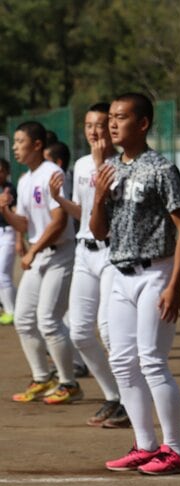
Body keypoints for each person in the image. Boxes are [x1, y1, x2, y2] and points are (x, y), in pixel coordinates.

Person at [90, 92, 180, 475]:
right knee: (121, 360)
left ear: (144, 123)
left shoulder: (161, 169)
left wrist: (175, 284)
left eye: (121, 117)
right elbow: (98, 231)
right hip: (120, 272)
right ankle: (146, 444)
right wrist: (99, 196)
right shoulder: (111, 168)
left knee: (151, 360)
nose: (112, 124)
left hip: (157, 272)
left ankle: (176, 450)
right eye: (111, 117)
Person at [50, 102, 129, 428]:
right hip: (85, 250)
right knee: (81, 333)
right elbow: (86, 215)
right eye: (89, 125)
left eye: (100, 124)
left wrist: (100, 164)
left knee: (109, 332)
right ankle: (113, 396)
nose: (95, 131)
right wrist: (60, 202)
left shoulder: (121, 163)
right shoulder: (81, 164)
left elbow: (113, 212)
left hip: (113, 253)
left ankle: (128, 399)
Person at [1, 121, 80, 404]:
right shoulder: (24, 180)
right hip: (40, 253)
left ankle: (69, 382)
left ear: (36, 145)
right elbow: (23, 223)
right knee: (23, 318)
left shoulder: (53, 173)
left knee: (48, 319)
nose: (15, 147)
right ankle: (42, 377)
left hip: (60, 253)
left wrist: (33, 251)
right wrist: (5, 210)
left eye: (19, 141)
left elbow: (59, 222)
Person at [0, 159, 17, 326]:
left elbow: (16, 213)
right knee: (3, 277)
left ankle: (11, 311)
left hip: (8, 232)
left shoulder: (11, 189)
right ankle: (15, 304)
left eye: (1, 171)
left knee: (2, 275)